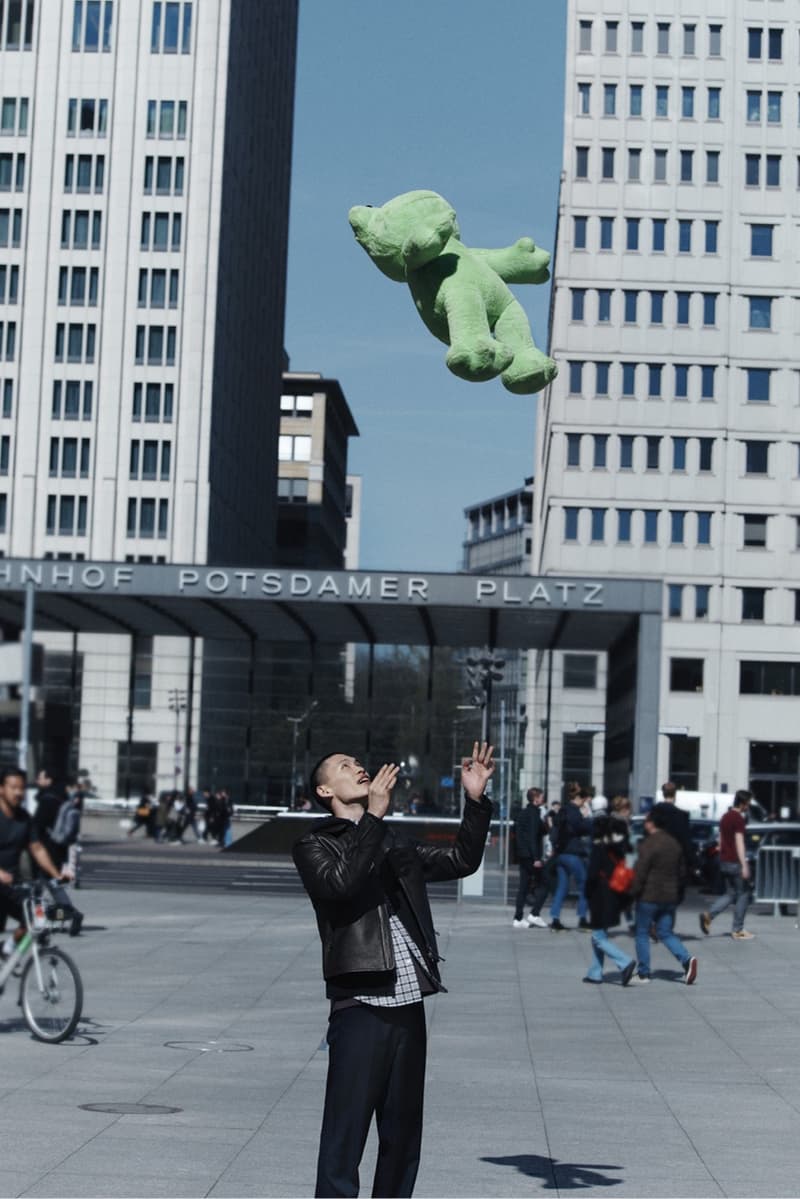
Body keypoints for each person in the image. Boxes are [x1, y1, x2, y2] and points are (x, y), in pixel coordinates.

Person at [293, 741, 494, 1199]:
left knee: (403, 1140)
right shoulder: (313, 844)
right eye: (345, 766)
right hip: (361, 1005)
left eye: (358, 762)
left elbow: (461, 861)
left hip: (407, 1004)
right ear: (325, 789)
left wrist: (476, 801)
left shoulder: (390, 840)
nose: (358, 767)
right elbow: (341, 886)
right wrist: (375, 820)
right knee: (345, 1139)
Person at [0, 767, 73, 957]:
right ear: (1, 789)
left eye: (22, 788)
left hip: (9, 887)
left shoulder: (24, 819)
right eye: (13, 787)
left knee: (36, 917)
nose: (18, 792)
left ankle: (8, 949)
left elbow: (37, 849)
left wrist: (57, 876)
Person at [629, 807, 697, 985]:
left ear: (651, 823)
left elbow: (640, 872)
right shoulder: (674, 844)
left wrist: (632, 892)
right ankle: (686, 959)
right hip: (670, 896)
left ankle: (644, 973)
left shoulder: (649, 844)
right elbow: (681, 871)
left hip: (649, 895)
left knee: (642, 933)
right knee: (665, 932)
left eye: (646, 821)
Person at [583, 814, 636, 986]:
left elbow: (591, 875)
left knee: (598, 937)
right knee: (600, 935)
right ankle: (595, 973)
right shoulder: (617, 848)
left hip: (600, 895)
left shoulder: (599, 849)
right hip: (614, 895)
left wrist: (586, 892)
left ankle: (624, 962)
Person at [699, 790, 755, 940]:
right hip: (735, 862)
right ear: (743, 804)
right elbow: (739, 843)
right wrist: (744, 865)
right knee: (744, 893)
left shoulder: (725, 817)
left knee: (731, 893)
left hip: (723, 860)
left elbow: (720, 840)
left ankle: (708, 915)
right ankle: (738, 929)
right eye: (748, 803)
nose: (749, 806)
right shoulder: (738, 819)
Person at [548, 782, 593, 931]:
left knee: (562, 887)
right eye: (585, 800)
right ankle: (582, 918)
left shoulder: (563, 810)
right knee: (585, 886)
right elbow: (582, 828)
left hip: (560, 853)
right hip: (572, 853)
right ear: (581, 798)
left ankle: (555, 920)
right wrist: (586, 818)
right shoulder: (575, 812)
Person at [512, 787, 548, 928]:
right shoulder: (532, 814)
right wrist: (536, 858)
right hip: (530, 856)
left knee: (524, 886)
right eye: (541, 796)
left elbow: (540, 831)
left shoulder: (526, 813)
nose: (543, 799)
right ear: (535, 798)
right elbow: (533, 837)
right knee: (546, 883)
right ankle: (534, 914)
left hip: (523, 855)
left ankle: (518, 918)